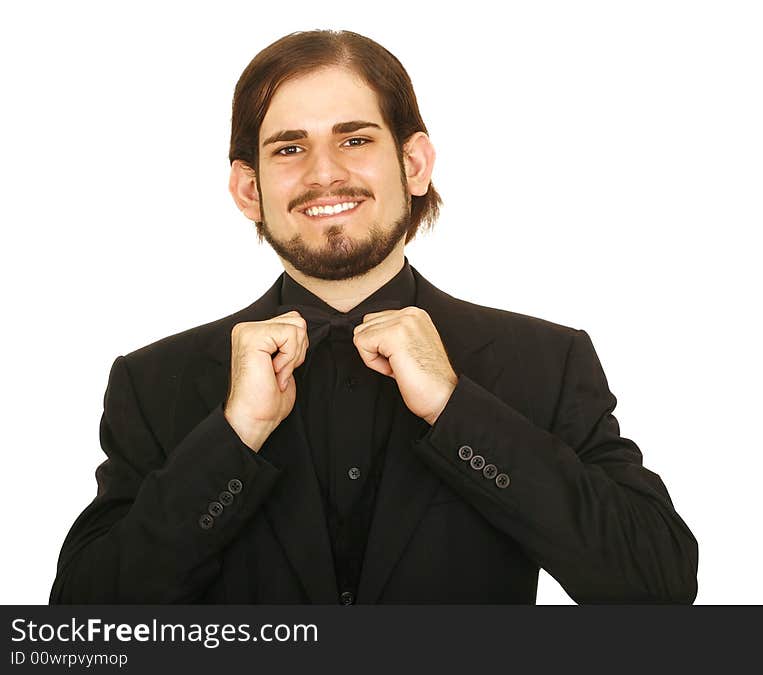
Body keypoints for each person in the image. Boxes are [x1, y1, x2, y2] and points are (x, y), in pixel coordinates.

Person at [49, 29, 698, 604]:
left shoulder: (547, 362)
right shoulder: (153, 381)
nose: (325, 174)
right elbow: (80, 623)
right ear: (249, 189)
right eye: (288, 149)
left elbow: (658, 583)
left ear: (413, 164)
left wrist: (456, 407)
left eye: (354, 139)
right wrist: (232, 435)